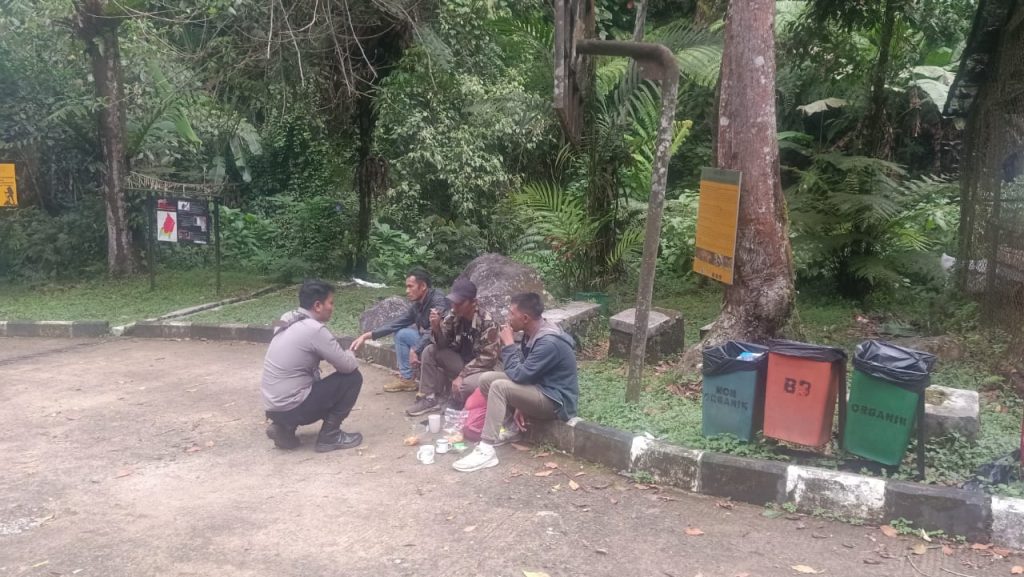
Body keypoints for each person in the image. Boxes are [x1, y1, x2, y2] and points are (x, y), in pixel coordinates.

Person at [453, 292, 579, 472]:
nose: (508, 317)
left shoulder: (548, 342)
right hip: (539, 388)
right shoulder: (532, 332)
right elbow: (526, 373)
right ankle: (511, 428)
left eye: (511, 313)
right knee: (487, 379)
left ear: (525, 318)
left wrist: (509, 345)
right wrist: (521, 403)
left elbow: (519, 375)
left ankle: (486, 450)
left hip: (556, 400)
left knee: (499, 386)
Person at [262, 280, 364, 452]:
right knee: (353, 378)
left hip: (272, 407)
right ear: (318, 305)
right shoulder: (315, 330)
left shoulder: (285, 317)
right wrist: (352, 353)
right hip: (295, 406)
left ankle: (283, 428)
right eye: (330, 303)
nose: (332, 307)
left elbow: (274, 328)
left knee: (306, 377)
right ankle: (330, 435)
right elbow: (346, 366)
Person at [405, 278, 500, 416]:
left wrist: (462, 376)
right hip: (460, 361)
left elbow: (488, 359)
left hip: (481, 370)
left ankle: (457, 401)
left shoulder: (488, 323)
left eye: (460, 303)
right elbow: (442, 344)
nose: (455, 306)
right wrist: (436, 328)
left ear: (474, 302)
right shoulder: (454, 314)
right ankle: (429, 398)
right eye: (453, 302)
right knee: (429, 351)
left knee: (464, 384)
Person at [349, 268, 449, 392]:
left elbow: (433, 331)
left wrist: (415, 349)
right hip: (430, 342)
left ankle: (423, 386)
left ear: (423, 286)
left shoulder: (438, 300)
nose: (407, 291)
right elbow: (396, 324)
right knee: (402, 334)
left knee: (408, 337)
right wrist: (366, 336)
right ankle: (407, 380)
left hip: (443, 346)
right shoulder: (418, 305)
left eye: (410, 286)